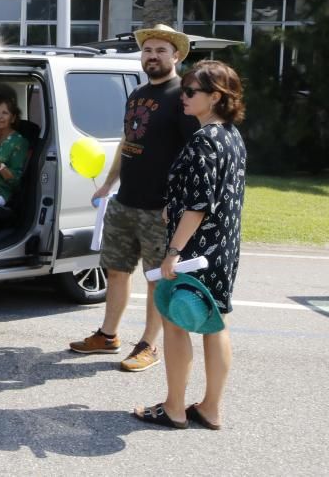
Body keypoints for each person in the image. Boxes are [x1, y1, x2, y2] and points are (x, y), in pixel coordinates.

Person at [70, 24, 199, 373]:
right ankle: (108, 336)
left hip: (160, 208)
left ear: (175, 56)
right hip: (125, 201)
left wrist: (178, 201)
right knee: (116, 271)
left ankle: (148, 345)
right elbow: (128, 144)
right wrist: (108, 184)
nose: (152, 56)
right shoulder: (138, 93)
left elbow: (193, 154)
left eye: (160, 50)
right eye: (148, 50)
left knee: (157, 278)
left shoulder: (183, 96)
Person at [133, 60, 247, 429]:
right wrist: (174, 205)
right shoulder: (231, 134)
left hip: (194, 251)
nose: (183, 96)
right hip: (224, 247)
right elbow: (215, 193)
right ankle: (211, 408)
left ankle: (175, 407)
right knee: (217, 324)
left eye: (191, 91)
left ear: (215, 97)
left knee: (175, 322)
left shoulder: (203, 139)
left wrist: (173, 252)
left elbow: (199, 205)